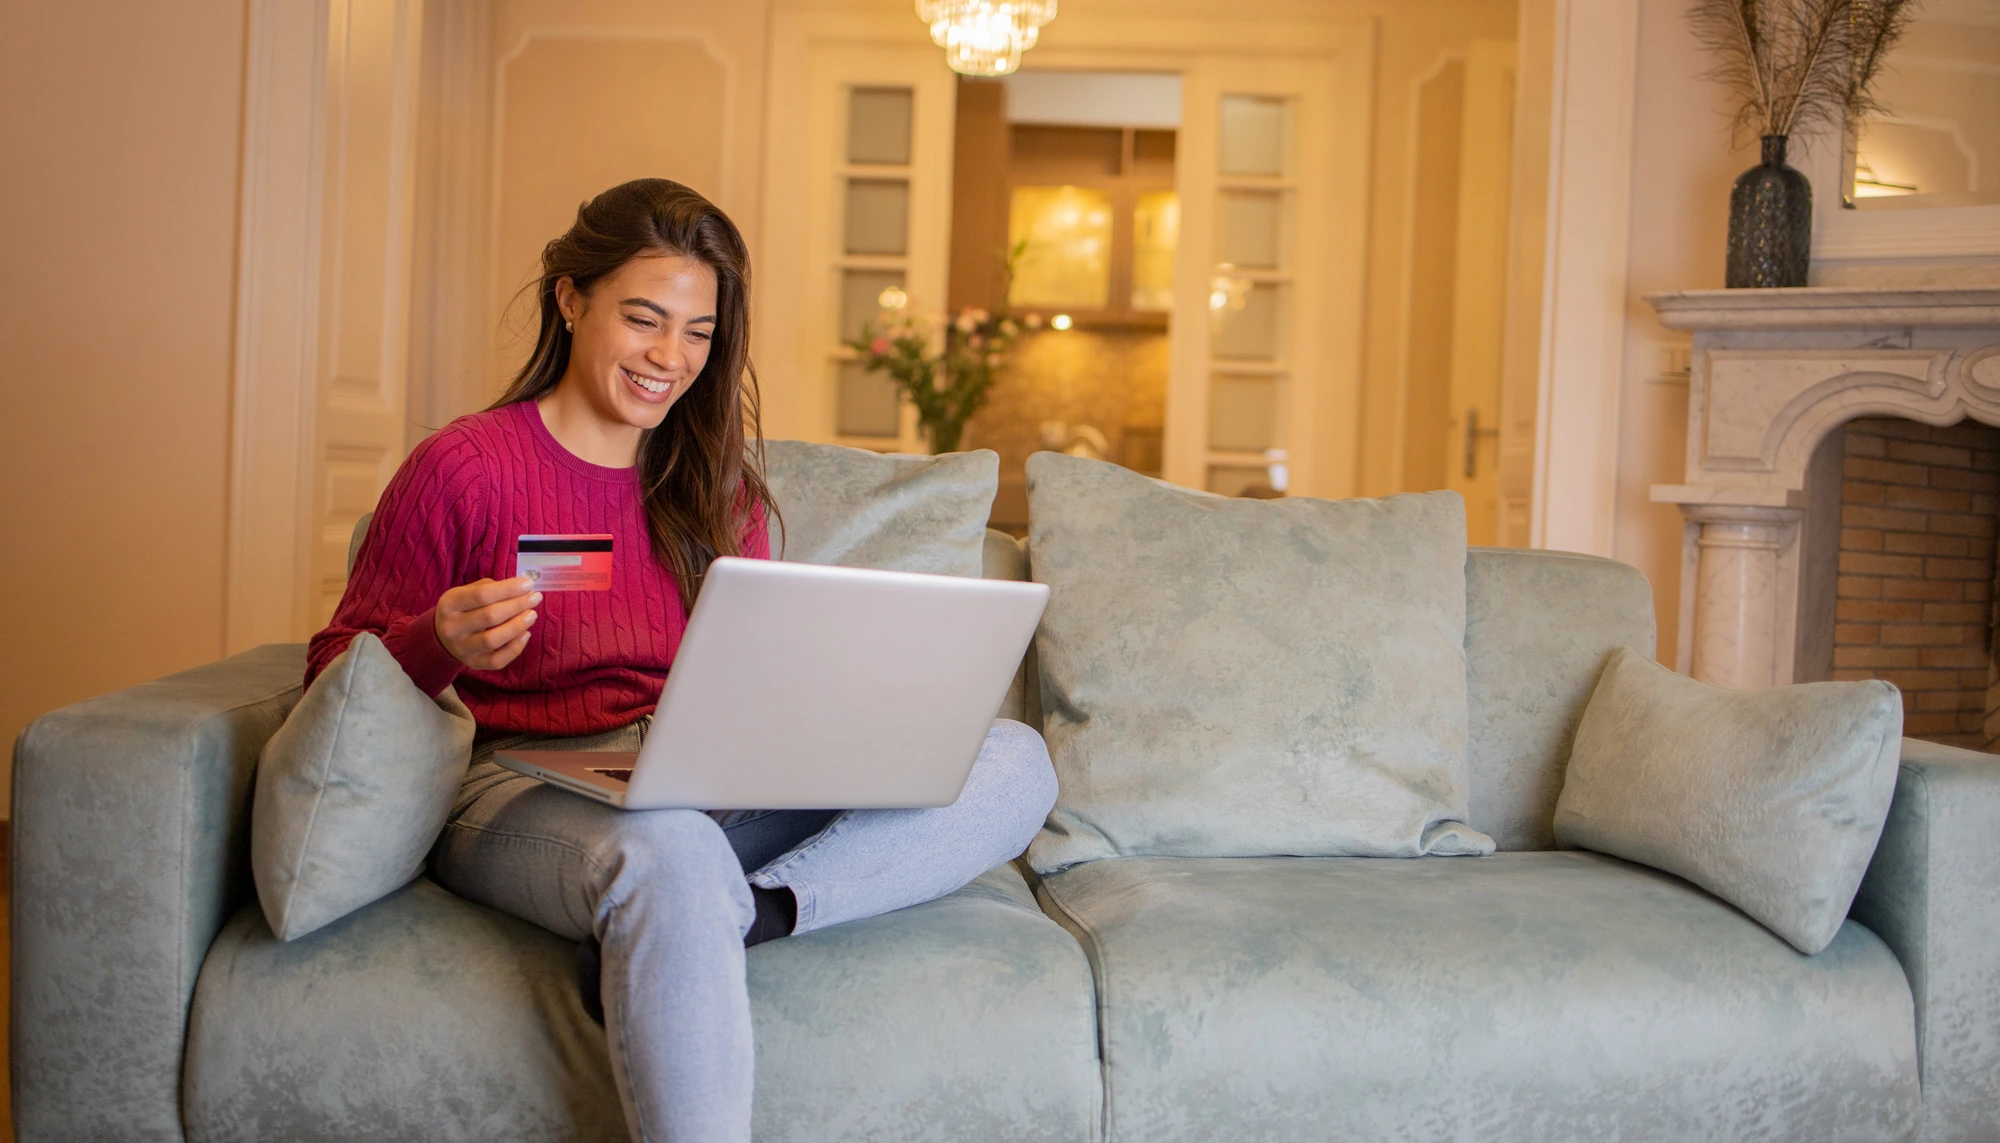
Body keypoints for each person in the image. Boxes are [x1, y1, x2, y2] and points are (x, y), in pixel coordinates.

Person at [307, 178, 1058, 1143]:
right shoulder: (466, 468)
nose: (671, 358)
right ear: (570, 298)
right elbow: (332, 668)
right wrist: (434, 640)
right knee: (671, 850)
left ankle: (748, 915)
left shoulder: (711, 484)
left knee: (1010, 760)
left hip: (704, 779)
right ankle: (687, 904)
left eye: (698, 333)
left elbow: (755, 666)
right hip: (519, 785)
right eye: (644, 318)